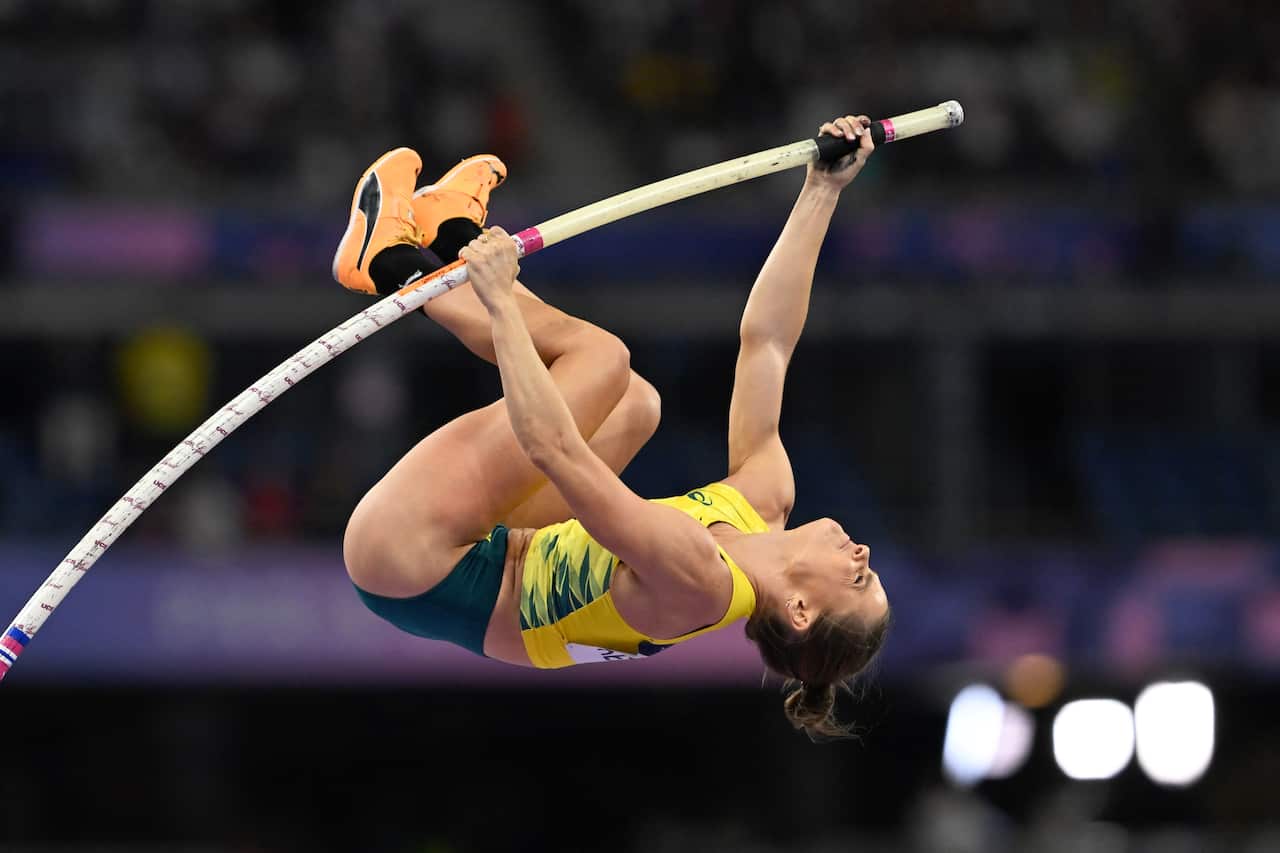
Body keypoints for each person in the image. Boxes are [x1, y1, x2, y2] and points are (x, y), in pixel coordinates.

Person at [333, 115, 890, 738]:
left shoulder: (699, 583)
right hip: (502, 544)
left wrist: (500, 302)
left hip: (416, 564)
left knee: (602, 360)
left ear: (799, 609)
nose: (864, 555)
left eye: (860, 579)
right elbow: (767, 345)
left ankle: (389, 263)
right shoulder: (765, 501)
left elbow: (555, 450)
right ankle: (455, 232)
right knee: (634, 402)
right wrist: (822, 190)